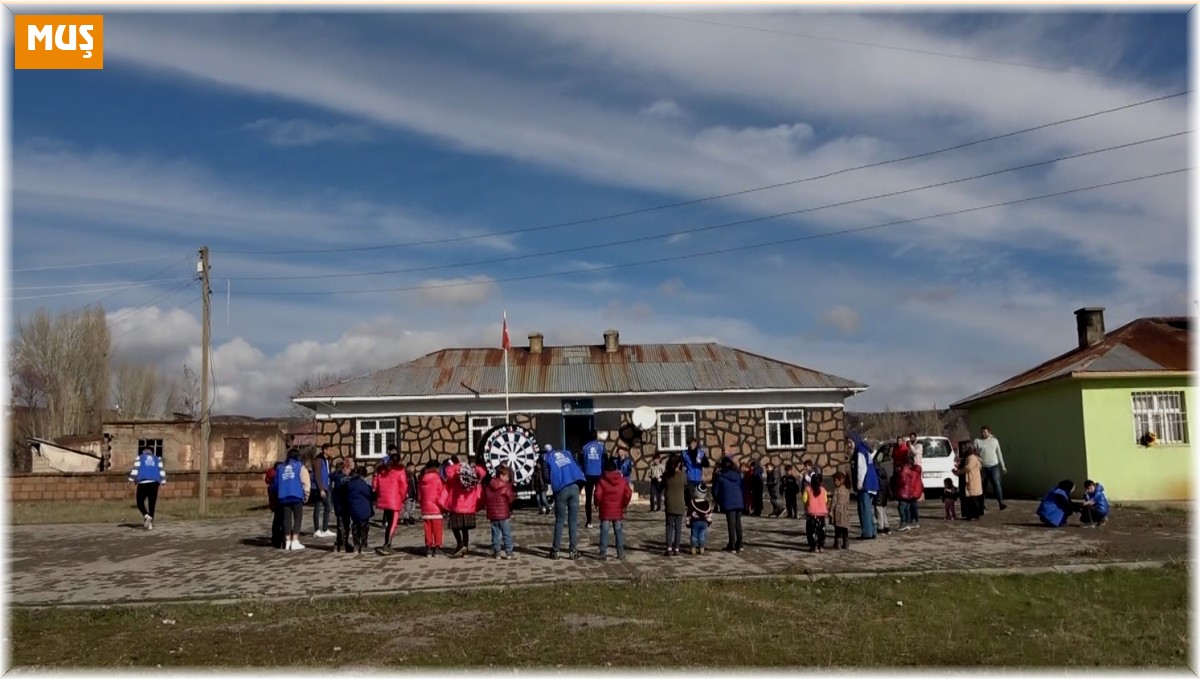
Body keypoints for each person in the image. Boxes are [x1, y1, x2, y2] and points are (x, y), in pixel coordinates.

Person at [547, 443, 586, 560]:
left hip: (562, 489)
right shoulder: (567, 455)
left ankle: (555, 551)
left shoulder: (550, 458)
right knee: (573, 522)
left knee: (559, 521)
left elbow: (550, 475)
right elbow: (577, 469)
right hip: (574, 487)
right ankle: (573, 551)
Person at [444, 454, 487, 558]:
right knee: (465, 529)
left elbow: (447, 472)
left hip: (456, 504)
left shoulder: (455, 471)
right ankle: (465, 547)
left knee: (455, 527)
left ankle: (459, 543)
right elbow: (483, 473)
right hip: (469, 505)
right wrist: (474, 466)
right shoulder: (471, 471)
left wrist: (456, 465)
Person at [270, 448, 311, 551]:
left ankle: (287, 541)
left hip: (283, 496)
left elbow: (275, 483)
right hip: (296, 494)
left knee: (286, 518)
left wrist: (276, 494)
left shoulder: (280, 467)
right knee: (297, 517)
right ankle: (295, 540)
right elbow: (305, 481)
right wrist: (306, 494)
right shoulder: (300, 466)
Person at [595, 458, 632, 561]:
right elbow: (628, 493)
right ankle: (620, 553)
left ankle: (603, 552)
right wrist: (624, 504)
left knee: (604, 531)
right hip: (618, 510)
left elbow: (598, 494)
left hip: (605, 510)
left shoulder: (602, 480)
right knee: (619, 531)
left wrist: (597, 503)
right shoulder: (622, 480)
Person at [372, 454, 407, 554]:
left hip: (384, 500)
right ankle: (387, 544)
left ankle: (386, 542)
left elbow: (375, 485)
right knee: (393, 524)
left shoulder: (381, 471)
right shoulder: (400, 471)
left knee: (389, 523)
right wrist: (403, 497)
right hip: (394, 500)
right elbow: (403, 485)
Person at [127, 447, 166, 531]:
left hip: (143, 482)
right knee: (152, 504)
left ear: (143, 452)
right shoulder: (157, 458)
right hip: (154, 483)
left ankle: (146, 515)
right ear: (152, 452)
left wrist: (130, 479)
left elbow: (135, 469)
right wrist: (163, 481)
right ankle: (150, 524)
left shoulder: (139, 457)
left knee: (139, 502)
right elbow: (161, 470)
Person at [712, 457, 745, 554]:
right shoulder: (738, 474)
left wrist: (717, 499)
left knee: (731, 524)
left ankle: (732, 545)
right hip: (739, 501)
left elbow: (715, 490)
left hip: (728, 501)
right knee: (738, 523)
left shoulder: (720, 475)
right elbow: (742, 487)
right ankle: (740, 543)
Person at [484, 463, 517, 559]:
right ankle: (509, 552)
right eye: (507, 476)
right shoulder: (506, 486)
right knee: (506, 533)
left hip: (492, 513)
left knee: (495, 533)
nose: (508, 478)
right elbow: (511, 498)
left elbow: (486, 497)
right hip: (503, 513)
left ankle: (497, 552)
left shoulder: (489, 485)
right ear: (502, 476)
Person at [850, 434, 879, 539]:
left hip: (865, 484)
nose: (849, 445)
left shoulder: (860, 451)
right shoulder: (865, 449)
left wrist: (859, 482)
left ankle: (867, 532)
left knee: (864, 509)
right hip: (872, 483)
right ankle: (872, 530)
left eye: (851, 442)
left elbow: (862, 468)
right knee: (868, 509)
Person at [973, 426, 1007, 511]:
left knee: (996, 484)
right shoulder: (977, 441)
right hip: (983, 467)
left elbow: (999, 453)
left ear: (989, 432)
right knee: (982, 486)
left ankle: (1001, 503)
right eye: (982, 432)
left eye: (985, 432)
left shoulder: (994, 441)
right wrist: (977, 460)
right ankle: (981, 504)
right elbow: (974, 453)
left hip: (994, 466)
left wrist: (1003, 466)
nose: (984, 434)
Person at [418, 460, 446, 557]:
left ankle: (428, 548)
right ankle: (437, 548)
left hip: (425, 508)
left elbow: (419, 495)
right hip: (436, 508)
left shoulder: (421, 478)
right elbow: (441, 492)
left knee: (428, 529)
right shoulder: (437, 479)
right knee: (437, 529)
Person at [345, 466, 375, 554]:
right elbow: (371, 494)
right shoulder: (363, 485)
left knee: (355, 527)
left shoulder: (349, 483)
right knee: (364, 528)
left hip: (353, 509)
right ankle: (364, 545)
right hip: (363, 510)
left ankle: (356, 545)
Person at [581, 431, 606, 529]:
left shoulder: (584, 447)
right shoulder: (601, 447)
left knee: (588, 499)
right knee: (602, 497)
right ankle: (603, 520)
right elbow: (605, 460)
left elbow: (581, 461)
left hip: (588, 474)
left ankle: (589, 521)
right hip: (599, 474)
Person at [663, 454, 687, 556]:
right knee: (678, 527)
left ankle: (669, 548)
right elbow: (685, 487)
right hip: (680, 503)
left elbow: (662, 486)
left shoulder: (666, 475)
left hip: (670, 504)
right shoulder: (683, 475)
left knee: (669, 526)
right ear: (679, 464)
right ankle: (676, 548)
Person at [330, 456, 355, 553]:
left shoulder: (350, 476)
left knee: (346, 523)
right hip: (340, 504)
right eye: (352, 463)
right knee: (341, 524)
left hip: (347, 504)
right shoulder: (340, 476)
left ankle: (343, 542)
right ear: (348, 465)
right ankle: (341, 543)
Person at [310, 444, 333, 538]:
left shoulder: (327, 460)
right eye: (330, 450)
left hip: (326, 487)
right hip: (319, 488)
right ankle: (316, 530)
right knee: (318, 508)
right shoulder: (319, 460)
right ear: (325, 450)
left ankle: (325, 528)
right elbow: (318, 475)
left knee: (328, 507)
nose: (331, 452)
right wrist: (321, 489)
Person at [956, 445, 985, 521]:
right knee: (972, 498)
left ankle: (974, 515)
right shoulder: (973, 457)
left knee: (972, 499)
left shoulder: (971, 457)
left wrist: (958, 472)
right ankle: (972, 515)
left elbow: (968, 467)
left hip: (972, 480)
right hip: (973, 480)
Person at [896, 456, 923, 531]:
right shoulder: (915, 470)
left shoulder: (910, 471)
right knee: (910, 507)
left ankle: (911, 521)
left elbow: (908, 482)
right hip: (913, 491)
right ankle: (911, 521)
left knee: (908, 507)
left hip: (910, 492)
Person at [803, 473, 828, 553]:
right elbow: (825, 500)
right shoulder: (823, 490)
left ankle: (814, 547)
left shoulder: (807, 489)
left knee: (812, 531)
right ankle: (821, 546)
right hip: (821, 514)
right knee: (821, 531)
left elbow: (804, 499)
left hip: (811, 514)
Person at [687, 481, 713, 555]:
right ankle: (701, 548)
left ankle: (693, 549)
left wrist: (688, 523)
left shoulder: (692, 503)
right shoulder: (707, 503)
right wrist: (709, 521)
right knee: (702, 535)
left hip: (695, 521)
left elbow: (689, 514)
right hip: (704, 522)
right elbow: (709, 514)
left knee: (694, 535)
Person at [829, 472, 852, 550]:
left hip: (838, 511)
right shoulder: (847, 489)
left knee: (838, 529)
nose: (834, 483)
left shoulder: (837, 490)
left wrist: (831, 511)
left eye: (835, 480)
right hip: (846, 511)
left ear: (840, 480)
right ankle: (846, 544)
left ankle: (837, 544)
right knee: (845, 529)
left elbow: (834, 502)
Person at [265, 459, 284, 548]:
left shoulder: (272, 476)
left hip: (274, 502)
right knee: (282, 520)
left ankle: (275, 539)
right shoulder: (278, 476)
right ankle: (281, 539)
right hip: (280, 500)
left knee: (277, 520)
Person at [873, 457, 891, 535]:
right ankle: (887, 527)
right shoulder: (883, 471)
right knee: (883, 512)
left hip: (879, 494)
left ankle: (880, 528)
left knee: (879, 511)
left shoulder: (875, 472)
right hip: (884, 494)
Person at [532, 449, 551, 515]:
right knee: (538, 500)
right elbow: (533, 480)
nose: (538, 465)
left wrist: (546, 485)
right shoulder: (535, 471)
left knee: (543, 499)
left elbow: (545, 478)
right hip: (537, 487)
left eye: (538, 464)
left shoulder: (543, 470)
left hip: (543, 486)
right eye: (537, 464)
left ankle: (547, 509)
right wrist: (533, 487)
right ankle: (540, 510)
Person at [402, 462, 419, 526]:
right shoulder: (406, 476)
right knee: (407, 507)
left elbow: (416, 485)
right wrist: (406, 492)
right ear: (407, 468)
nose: (412, 469)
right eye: (411, 467)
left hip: (413, 494)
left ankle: (410, 517)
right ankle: (406, 519)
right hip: (408, 494)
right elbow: (405, 485)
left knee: (413, 507)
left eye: (413, 467)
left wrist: (417, 493)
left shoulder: (414, 476)